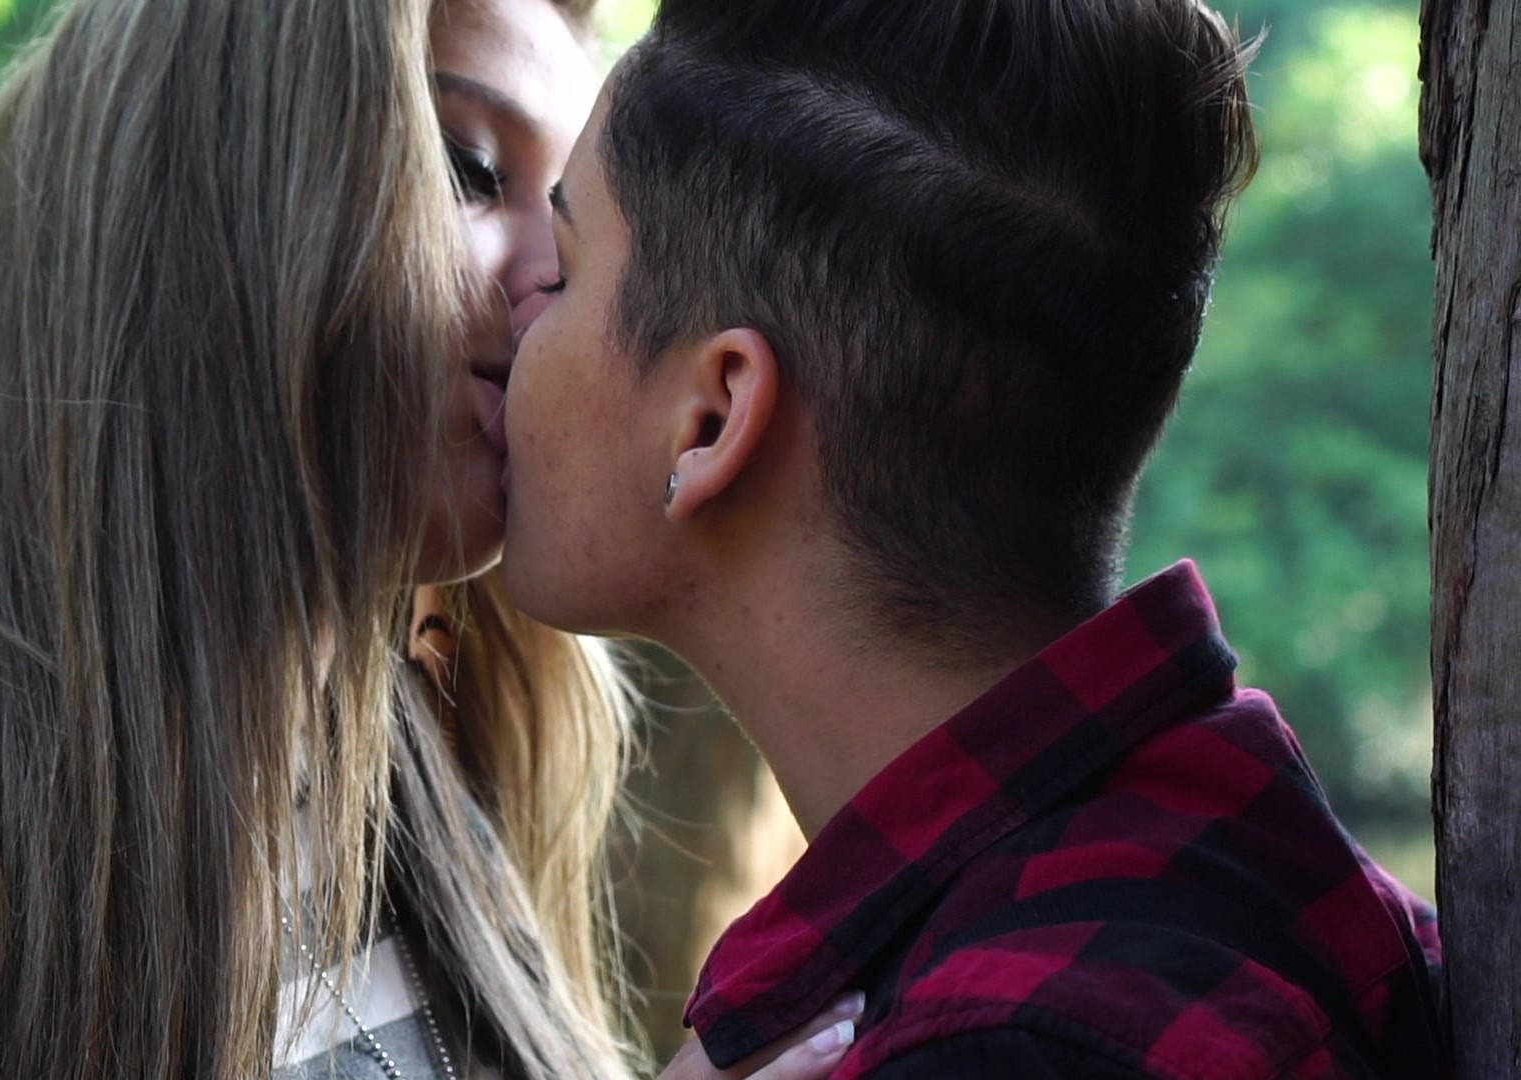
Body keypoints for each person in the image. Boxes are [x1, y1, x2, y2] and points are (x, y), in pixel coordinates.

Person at [0, 0, 853, 1077]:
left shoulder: (431, 791)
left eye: (573, 212)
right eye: (472, 168)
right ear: (211, 197)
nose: (559, 277)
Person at [502, 0, 1449, 1075]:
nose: (514, 304)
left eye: (568, 266)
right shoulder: (1240, 864)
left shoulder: (1007, 1047)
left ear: (713, 418)